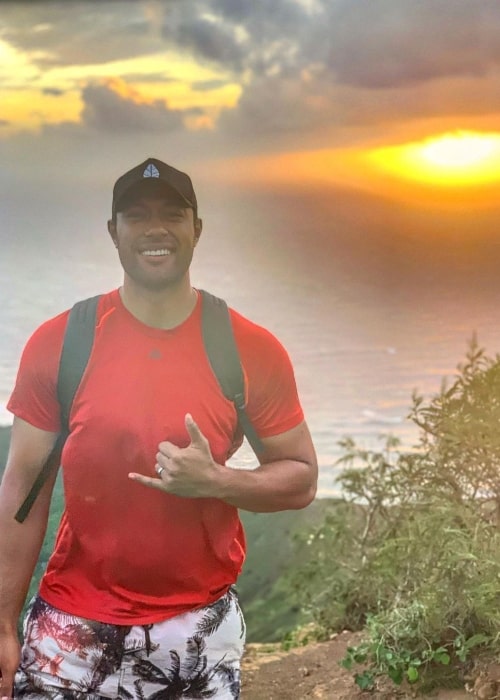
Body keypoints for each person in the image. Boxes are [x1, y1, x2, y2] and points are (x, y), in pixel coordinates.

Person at [0, 157, 318, 699]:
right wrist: (3, 624)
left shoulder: (248, 349)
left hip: (196, 632)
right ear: (113, 233)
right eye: (136, 215)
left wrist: (216, 481)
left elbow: (301, 478)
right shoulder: (62, 343)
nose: (155, 228)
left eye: (173, 214)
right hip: (69, 632)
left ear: (196, 229)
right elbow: (23, 489)